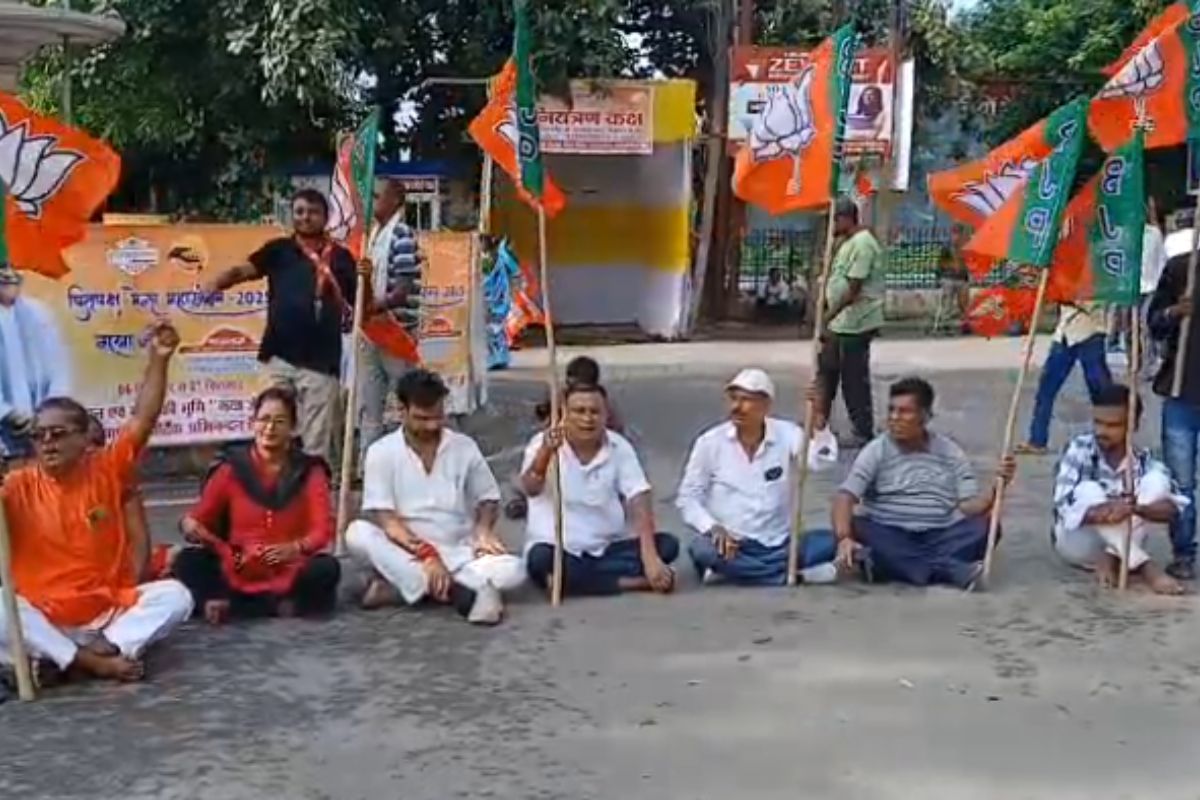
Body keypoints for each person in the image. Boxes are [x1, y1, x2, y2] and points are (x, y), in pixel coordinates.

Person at [0, 320, 193, 684]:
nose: (48, 444)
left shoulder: (107, 468)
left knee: (176, 596)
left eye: (58, 434)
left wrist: (160, 359)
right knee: (0, 606)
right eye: (39, 437)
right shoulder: (15, 485)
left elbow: (142, 417)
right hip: (43, 618)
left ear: (84, 437)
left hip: (105, 617)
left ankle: (77, 658)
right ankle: (93, 664)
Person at [202, 189, 371, 463]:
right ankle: (272, 493)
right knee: (270, 428)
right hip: (278, 357)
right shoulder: (278, 250)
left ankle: (317, 495)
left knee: (319, 443)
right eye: (300, 211)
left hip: (321, 363)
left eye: (313, 212)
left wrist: (368, 279)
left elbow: (365, 306)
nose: (305, 218)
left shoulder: (341, 257)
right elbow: (241, 271)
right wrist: (216, 283)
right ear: (292, 216)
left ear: (325, 218)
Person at [345, 369, 523, 625]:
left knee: (515, 571)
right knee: (357, 534)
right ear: (402, 411)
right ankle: (452, 590)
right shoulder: (380, 453)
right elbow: (388, 521)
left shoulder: (463, 446)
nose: (432, 426)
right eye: (422, 418)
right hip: (407, 551)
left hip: (459, 552)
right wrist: (428, 556)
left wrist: (484, 530)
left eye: (438, 417)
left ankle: (405, 588)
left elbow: (488, 498)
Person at [174, 387, 341, 623]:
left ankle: (232, 607)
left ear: (293, 428)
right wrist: (189, 525)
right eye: (264, 420)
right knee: (188, 561)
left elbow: (321, 530)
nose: (270, 428)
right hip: (239, 564)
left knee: (327, 569)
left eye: (279, 421)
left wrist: (294, 548)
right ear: (253, 423)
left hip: (289, 566)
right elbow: (201, 517)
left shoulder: (310, 471)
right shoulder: (231, 468)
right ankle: (275, 606)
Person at [832, 377, 1016, 590]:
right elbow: (845, 497)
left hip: (939, 534)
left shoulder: (950, 452)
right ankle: (948, 569)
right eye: (891, 410)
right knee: (859, 526)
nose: (894, 418)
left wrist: (996, 489)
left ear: (926, 416)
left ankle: (898, 567)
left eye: (904, 412)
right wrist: (844, 538)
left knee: (986, 526)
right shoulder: (876, 451)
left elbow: (968, 506)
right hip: (890, 532)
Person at [678, 369, 840, 587]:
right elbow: (688, 498)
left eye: (746, 400)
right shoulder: (710, 442)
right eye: (734, 399)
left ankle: (736, 574)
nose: (736, 407)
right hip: (732, 543)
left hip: (778, 542)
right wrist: (713, 528)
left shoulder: (786, 433)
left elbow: (820, 462)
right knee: (702, 549)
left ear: (765, 405)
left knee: (829, 541)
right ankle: (790, 576)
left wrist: (818, 421)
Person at [522, 383, 679, 597]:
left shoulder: (619, 446)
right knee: (539, 560)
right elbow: (530, 488)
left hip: (606, 548)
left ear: (606, 415)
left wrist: (650, 557)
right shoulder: (542, 444)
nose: (588, 419)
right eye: (579, 411)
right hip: (558, 549)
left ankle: (574, 582)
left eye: (595, 412)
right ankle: (631, 583)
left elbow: (638, 497)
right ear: (563, 415)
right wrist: (545, 454)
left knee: (667, 545)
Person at [1051, 385, 1185, 594]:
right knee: (1088, 490)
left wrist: (1134, 509)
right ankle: (1146, 568)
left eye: (1113, 425)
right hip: (1079, 543)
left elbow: (1173, 509)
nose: (1101, 431)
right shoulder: (1079, 449)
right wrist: (1103, 510)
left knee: (1156, 481)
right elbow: (1062, 507)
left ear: (1133, 425)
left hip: (1126, 537)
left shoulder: (1143, 459)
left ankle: (1114, 555)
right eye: (1098, 423)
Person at [1148, 216, 1200, 579]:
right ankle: (1184, 552)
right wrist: (1174, 312)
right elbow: (1153, 321)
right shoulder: (1183, 269)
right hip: (1182, 392)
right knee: (1181, 483)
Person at [360, 178, 423, 450]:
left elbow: (402, 290)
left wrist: (371, 308)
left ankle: (409, 462)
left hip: (396, 331)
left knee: (404, 404)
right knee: (369, 405)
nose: (371, 202)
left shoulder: (402, 235)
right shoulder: (371, 236)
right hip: (371, 330)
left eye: (377, 196)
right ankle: (367, 467)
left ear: (395, 201)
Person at [819, 198, 885, 449]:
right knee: (827, 371)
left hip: (854, 322)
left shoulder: (863, 244)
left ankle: (863, 429)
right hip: (840, 323)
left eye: (833, 220)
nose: (831, 226)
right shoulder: (846, 243)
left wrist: (829, 315)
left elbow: (854, 288)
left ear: (846, 218)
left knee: (853, 378)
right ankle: (820, 424)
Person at [1014, 301, 1112, 455]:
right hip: (1064, 333)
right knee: (1046, 388)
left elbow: (1095, 301)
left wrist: (1067, 297)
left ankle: (1111, 437)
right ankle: (1037, 439)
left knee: (1101, 391)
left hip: (1090, 331)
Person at [0, 264, 71, 460]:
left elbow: (59, 369)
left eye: (11, 269)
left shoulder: (40, 313)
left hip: (42, 431)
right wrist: (7, 414)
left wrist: (50, 414)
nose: (7, 275)